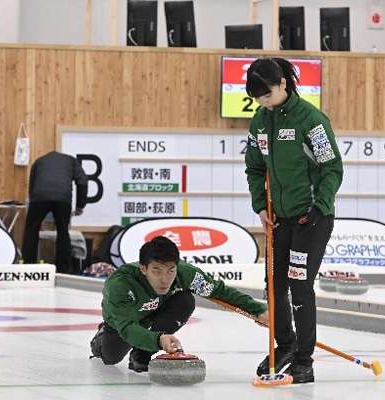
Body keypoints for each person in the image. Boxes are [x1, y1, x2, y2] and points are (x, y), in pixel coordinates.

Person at [244, 58, 343, 384]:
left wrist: (319, 206)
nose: (263, 102)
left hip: (310, 219)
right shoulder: (260, 122)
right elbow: (255, 168)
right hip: (279, 220)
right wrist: (261, 205)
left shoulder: (311, 120)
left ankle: (304, 361)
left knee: (300, 286)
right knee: (274, 287)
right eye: (257, 97)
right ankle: (285, 346)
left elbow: (332, 168)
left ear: (284, 84)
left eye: (267, 95)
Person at [89, 236, 269, 373]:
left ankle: (142, 353)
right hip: (125, 321)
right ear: (143, 269)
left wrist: (258, 310)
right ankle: (101, 337)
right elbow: (127, 328)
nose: (165, 279)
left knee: (185, 301)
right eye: (157, 271)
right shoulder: (120, 285)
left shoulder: (185, 273)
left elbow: (218, 291)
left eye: (171, 271)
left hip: (156, 310)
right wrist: (159, 339)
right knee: (110, 358)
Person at [22, 151, 88, 274]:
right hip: (63, 197)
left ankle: (28, 267)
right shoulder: (71, 161)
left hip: (39, 196)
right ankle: (62, 270)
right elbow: (82, 180)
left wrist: (35, 208)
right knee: (63, 232)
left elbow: (32, 185)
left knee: (31, 230)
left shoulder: (39, 161)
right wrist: (80, 205)